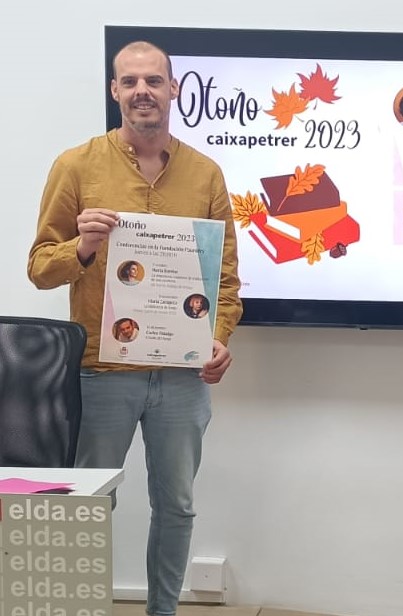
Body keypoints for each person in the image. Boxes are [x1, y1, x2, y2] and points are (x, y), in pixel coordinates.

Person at [27, 41, 242, 616]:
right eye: (129, 81)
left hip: (182, 376)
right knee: (87, 505)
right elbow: (40, 267)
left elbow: (226, 281)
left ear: (174, 89)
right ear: (114, 91)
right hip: (101, 372)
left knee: (177, 507)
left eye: (153, 80)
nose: (142, 91)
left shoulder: (206, 173)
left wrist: (219, 337)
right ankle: (74, 608)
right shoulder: (76, 165)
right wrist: (83, 247)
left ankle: (162, 611)